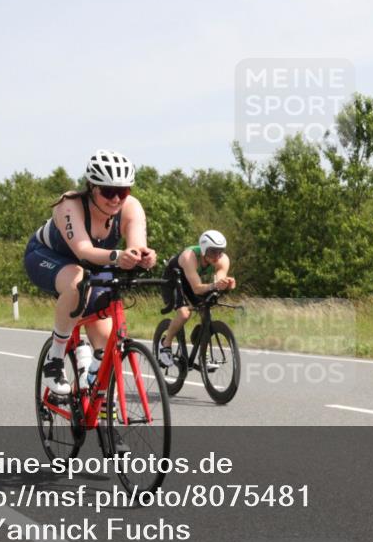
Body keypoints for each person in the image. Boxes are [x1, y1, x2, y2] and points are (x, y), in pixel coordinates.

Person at [24, 150, 156, 395]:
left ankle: (91, 371)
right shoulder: (70, 204)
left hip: (96, 263)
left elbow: (136, 246)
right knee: (77, 281)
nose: (116, 199)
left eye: (123, 191)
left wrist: (144, 257)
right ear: (92, 187)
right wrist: (118, 256)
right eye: (108, 191)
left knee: (105, 343)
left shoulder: (131, 207)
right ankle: (55, 360)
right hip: (48, 256)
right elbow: (83, 251)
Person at [157, 230, 236, 368]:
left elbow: (219, 280)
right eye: (213, 252)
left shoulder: (223, 259)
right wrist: (213, 285)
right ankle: (165, 344)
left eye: (220, 251)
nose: (217, 256)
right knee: (184, 313)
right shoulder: (189, 257)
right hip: (173, 280)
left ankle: (202, 352)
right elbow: (197, 289)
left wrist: (226, 285)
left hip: (191, 281)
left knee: (206, 311)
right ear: (204, 249)